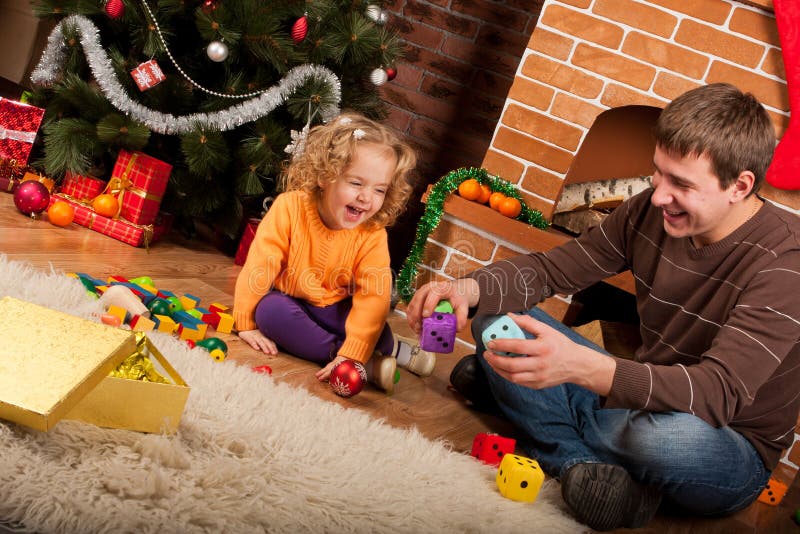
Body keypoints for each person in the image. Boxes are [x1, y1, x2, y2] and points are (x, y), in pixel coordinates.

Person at [406, 83, 800, 531]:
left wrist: (583, 370)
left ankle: (527, 407)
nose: (658, 196)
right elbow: (552, 270)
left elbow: (715, 394)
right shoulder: (651, 211)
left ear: (739, 185)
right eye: (659, 173)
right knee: (499, 320)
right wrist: (468, 290)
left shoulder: (788, 264)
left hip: (724, 442)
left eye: (681, 184)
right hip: (634, 398)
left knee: (656, 440)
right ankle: (578, 464)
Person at [234, 112, 435, 393]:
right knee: (269, 313)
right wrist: (244, 322)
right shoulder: (289, 207)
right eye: (356, 183)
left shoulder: (372, 233)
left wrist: (356, 349)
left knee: (376, 330)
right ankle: (361, 365)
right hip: (293, 300)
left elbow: (373, 296)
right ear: (325, 176)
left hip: (339, 308)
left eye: (379, 190)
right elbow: (260, 266)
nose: (366, 197)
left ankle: (394, 350)